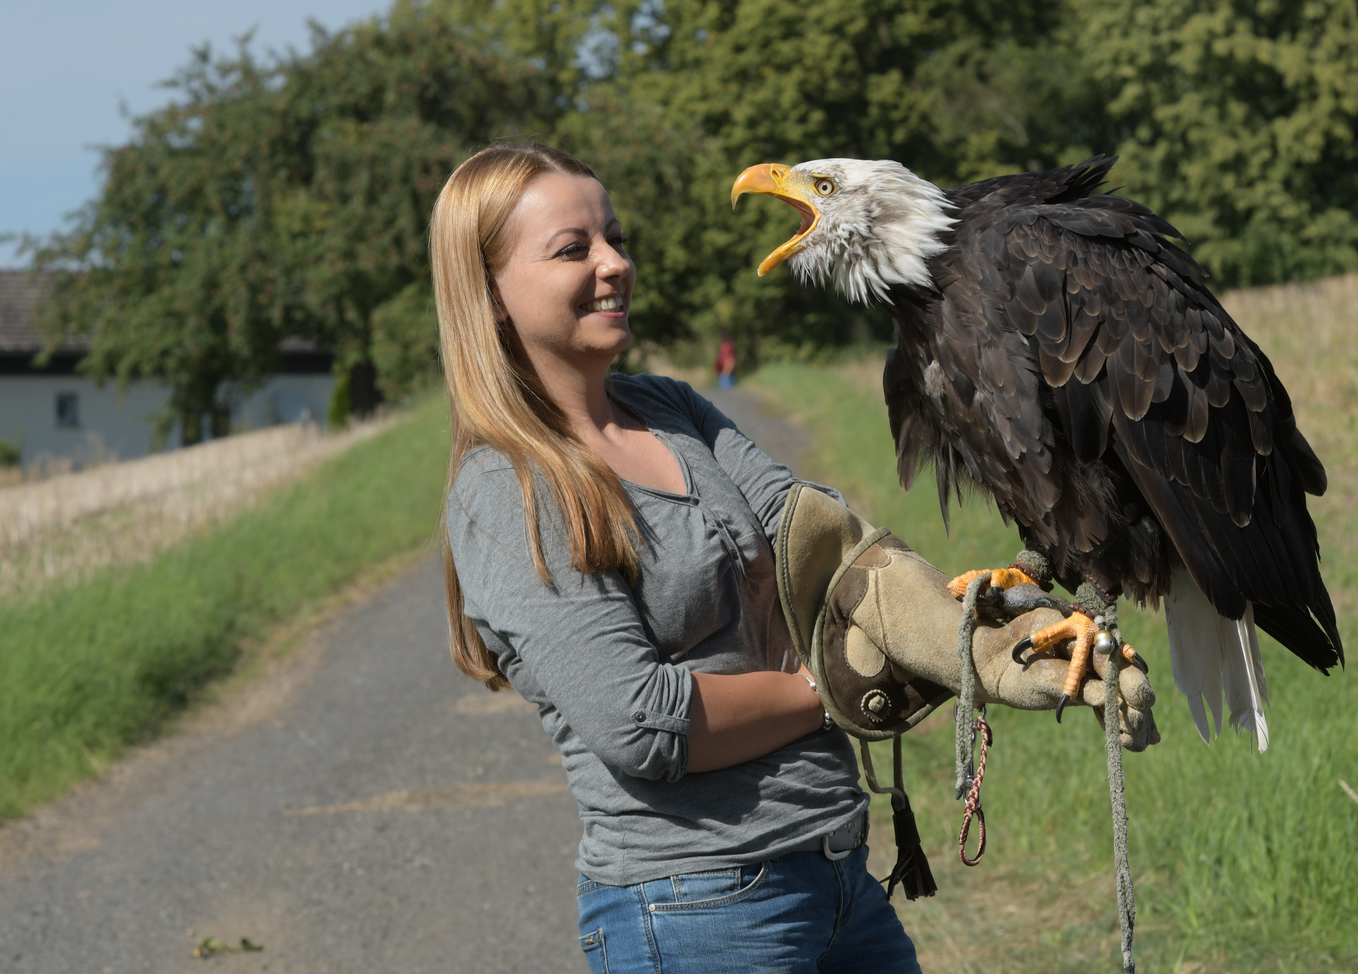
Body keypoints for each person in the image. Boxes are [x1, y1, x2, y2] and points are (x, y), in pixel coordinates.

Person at [432, 143, 1157, 973]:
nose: (615, 264)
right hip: (694, 908)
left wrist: (980, 638)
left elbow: (832, 553)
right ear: (486, 293)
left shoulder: (672, 412)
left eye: (615, 238)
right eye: (574, 249)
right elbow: (642, 722)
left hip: (839, 877)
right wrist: (840, 687)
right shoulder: (505, 492)